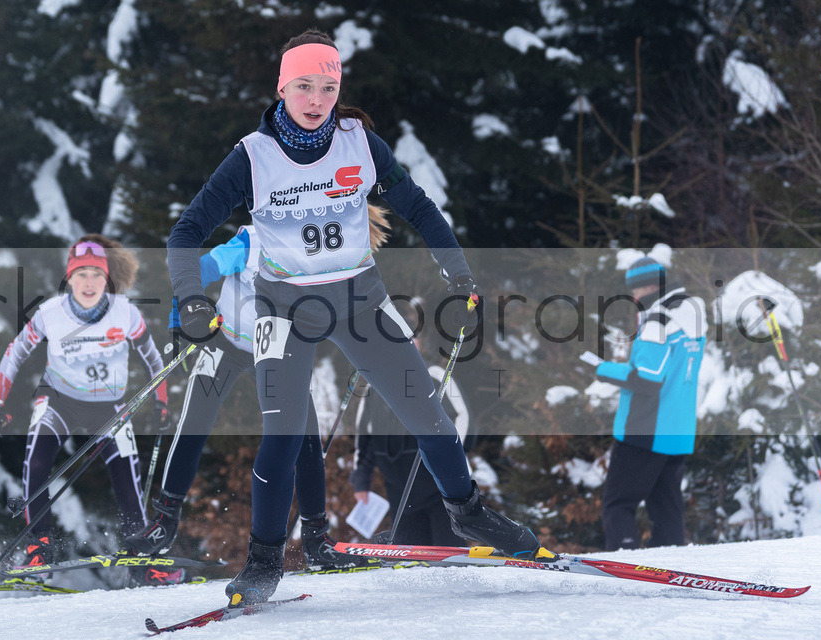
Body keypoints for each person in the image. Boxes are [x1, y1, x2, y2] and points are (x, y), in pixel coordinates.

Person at [165, 29, 547, 605]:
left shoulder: (360, 143)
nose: (315, 99)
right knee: (283, 435)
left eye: (327, 86)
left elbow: (416, 204)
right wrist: (193, 299)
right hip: (282, 307)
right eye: (303, 86)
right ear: (283, 87)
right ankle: (264, 561)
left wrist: (459, 271)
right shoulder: (251, 156)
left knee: (428, 412)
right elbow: (186, 232)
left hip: (358, 299)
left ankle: (467, 512)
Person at [127, 214, 390, 569]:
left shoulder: (321, 255)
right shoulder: (250, 242)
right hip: (225, 343)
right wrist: (180, 320)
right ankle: (164, 522)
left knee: (305, 438)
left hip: (278, 353)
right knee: (194, 422)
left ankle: (316, 537)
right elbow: (198, 272)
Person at [0, 235, 180, 585]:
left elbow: (154, 360)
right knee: (37, 459)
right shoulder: (50, 314)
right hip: (59, 400)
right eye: (81, 275)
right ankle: (37, 548)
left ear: (106, 279)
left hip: (110, 407)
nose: (88, 283)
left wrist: (161, 401)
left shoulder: (127, 313)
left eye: (96, 275)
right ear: (69, 279)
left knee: (127, 475)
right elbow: (15, 352)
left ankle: (143, 559)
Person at [589, 256, 707, 550]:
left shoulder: (658, 320)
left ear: (651, 286)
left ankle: (623, 560)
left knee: (618, 504)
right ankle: (671, 567)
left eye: (636, 291)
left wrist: (602, 369)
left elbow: (648, 380)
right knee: (666, 507)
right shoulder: (691, 314)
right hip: (678, 429)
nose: (633, 297)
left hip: (645, 428)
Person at [351, 335, 473, 545]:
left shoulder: (435, 376)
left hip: (440, 486)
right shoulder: (373, 387)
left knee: (451, 556)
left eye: (408, 340)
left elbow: (464, 419)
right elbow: (366, 438)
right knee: (410, 558)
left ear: (417, 344)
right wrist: (361, 480)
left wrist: (448, 458)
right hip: (399, 490)